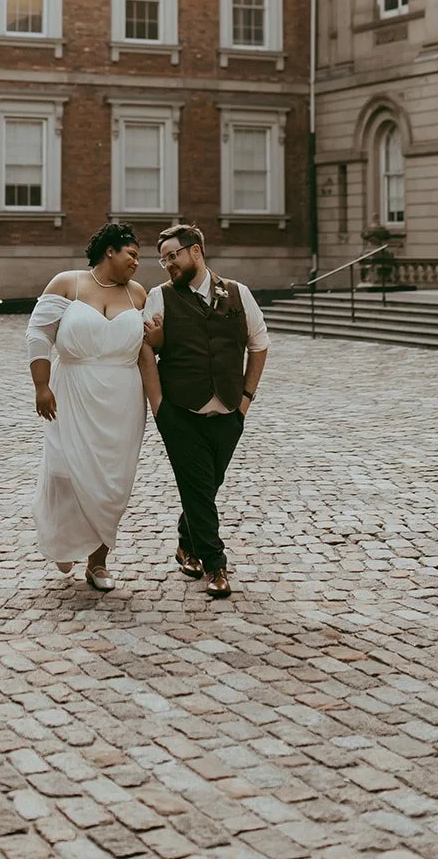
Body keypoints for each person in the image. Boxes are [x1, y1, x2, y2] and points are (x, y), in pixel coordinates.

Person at [26, 221, 158, 591]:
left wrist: (158, 338)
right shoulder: (68, 283)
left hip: (123, 399)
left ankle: (98, 562)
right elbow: (38, 333)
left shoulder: (139, 294)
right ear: (110, 251)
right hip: (72, 390)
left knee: (113, 481)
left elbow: (151, 348)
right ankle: (64, 540)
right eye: (132, 254)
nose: (136, 262)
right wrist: (41, 385)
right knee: (64, 469)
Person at [140, 222, 268, 598]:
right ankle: (216, 565)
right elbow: (145, 350)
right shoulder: (159, 296)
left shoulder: (239, 293)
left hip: (229, 412)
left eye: (173, 256)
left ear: (196, 251)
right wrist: (158, 406)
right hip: (180, 412)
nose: (167, 265)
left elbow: (259, 345)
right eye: (163, 259)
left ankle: (186, 544)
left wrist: (245, 400)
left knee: (205, 488)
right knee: (197, 486)